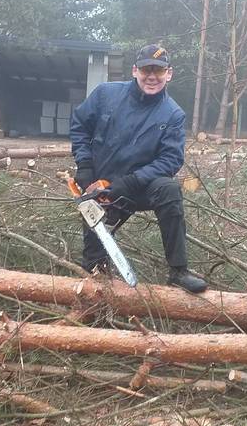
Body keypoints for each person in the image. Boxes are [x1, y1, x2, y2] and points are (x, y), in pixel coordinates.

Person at [69, 44, 208, 293]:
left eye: (158, 70)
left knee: (169, 189)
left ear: (169, 74)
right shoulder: (105, 95)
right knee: (94, 261)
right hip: (99, 185)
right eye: (146, 70)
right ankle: (96, 284)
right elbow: (80, 125)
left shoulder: (173, 114)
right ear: (135, 70)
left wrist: (130, 182)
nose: (152, 76)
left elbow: (171, 160)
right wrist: (85, 165)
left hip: (139, 187)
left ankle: (178, 270)